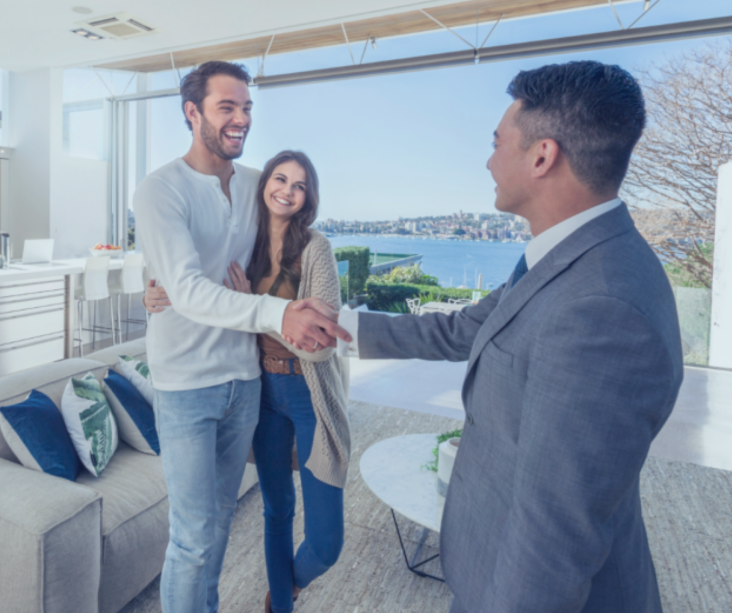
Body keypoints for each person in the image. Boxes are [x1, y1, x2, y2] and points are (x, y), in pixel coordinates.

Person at [335, 61, 683, 612]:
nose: (489, 160)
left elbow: (554, 535)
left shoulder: (602, 310)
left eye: (498, 143)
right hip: (486, 567)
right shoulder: (566, 257)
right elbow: (469, 329)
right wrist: (340, 328)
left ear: (542, 156)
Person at [132, 61, 350, 613]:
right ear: (192, 113)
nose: (240, 119)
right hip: (186, 385)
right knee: (192, 536)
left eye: (246, 107)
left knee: (223, 523)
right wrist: (156, 287)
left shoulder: (257, 185)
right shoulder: (160, 189)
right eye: (226, 107)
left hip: (246, 381)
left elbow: (290, 245)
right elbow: (184, 285)